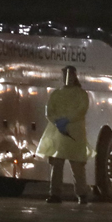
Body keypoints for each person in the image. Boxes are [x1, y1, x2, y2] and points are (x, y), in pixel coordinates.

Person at [35, 65, 92, 204]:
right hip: (72, 134)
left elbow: (51, 112)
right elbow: (79, 110)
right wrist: (64, 121)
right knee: (71, 165)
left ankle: (62, 194)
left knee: (63, 165)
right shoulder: (78, 94)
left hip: (62, 133)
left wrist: (59, 121)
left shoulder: (62, 94)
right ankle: (78, 194)